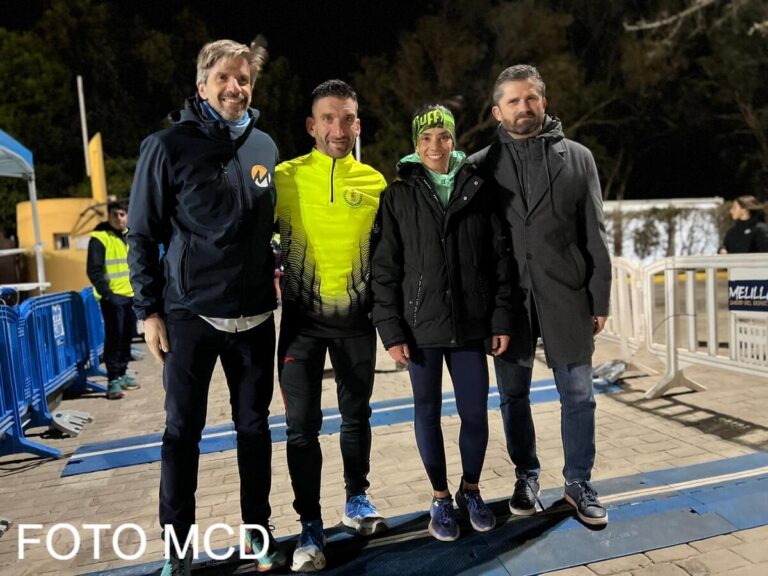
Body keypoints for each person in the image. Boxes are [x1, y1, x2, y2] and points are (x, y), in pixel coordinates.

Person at [127, 39, 285, 575]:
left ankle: (257, 537)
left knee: (255, 431)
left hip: (257, 317)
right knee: (181, 436)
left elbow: (270, 228)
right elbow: (142, 236)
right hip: (190, 317)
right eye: (223, 78)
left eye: (243, 79)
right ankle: (178, 554)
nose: (235, 87)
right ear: (202, 85)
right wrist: (148, 312)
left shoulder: (265, 146)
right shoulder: (166, 146)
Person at [470, 65, 612, 527]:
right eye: (513, 101)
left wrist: (599, 298)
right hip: (508, 303)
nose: (524, 107)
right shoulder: (479, 165)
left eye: (531, 98)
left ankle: (578, 484)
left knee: (579, 396)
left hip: (566, 295)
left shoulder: (578, 158)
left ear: (544, 103)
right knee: (513, 397)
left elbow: (595, 233)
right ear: (497, 110)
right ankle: (525, 475)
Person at [372, 104, 513, 542]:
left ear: (455, 141)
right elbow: (384, 270)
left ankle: (471, 490)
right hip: (421, 328)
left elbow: (500, 261)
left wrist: (500, 317)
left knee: (475, 414)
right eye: (427, 138)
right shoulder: (398, 195)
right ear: (416, 144)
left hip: (472, 326)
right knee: (427, 413)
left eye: (444, 137)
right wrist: (391, 331)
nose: (436, 146)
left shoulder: (479, 188)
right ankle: (439, 498)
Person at [274, 79, 388, 572]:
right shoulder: (283, 177)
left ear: (358, 125)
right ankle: (309, 524)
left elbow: (393, 259)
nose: (338, 128)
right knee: (302, 429)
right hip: (300, 328)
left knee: (356, 417)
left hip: (357, 325)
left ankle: (357, 497)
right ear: (311, 125)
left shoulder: (376, 183)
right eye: (328, 118)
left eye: (346, 119)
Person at [86, 200, 139, 400]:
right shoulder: (100, 238)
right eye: (115, 215)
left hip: (130, 296)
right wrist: (107, 294)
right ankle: (113, 380)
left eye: (122, 214)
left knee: (127, 336)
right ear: (108, 217)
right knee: (114, 337)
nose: (119, 218)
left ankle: (123, 373)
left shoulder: (129, 236)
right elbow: (94, 269)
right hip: (113, 298)